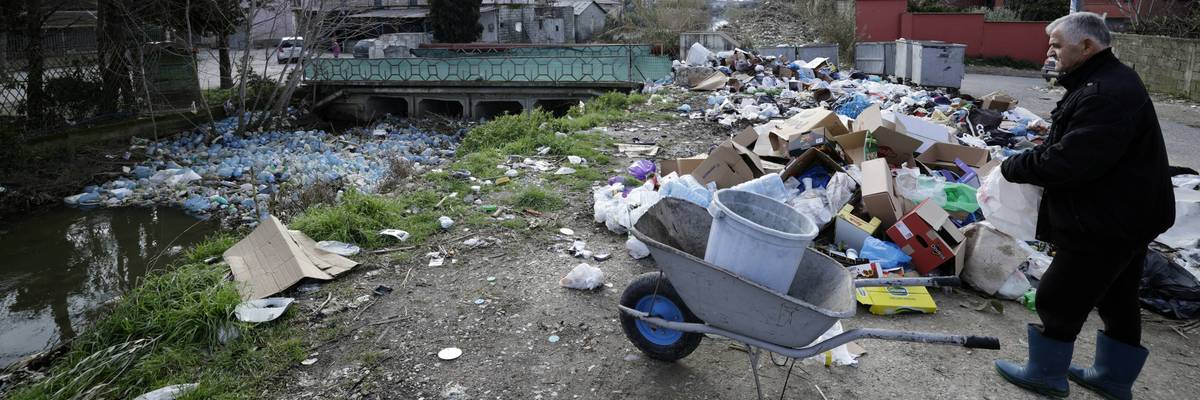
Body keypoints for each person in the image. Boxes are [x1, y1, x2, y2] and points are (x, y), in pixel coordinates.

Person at [994, 12, 1174, 400]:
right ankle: (1112, 378)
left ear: (1087, 46)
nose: (1050, 52)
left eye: (1057, 45)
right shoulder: (1109, 80)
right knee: (1118, 297)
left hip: (1106, 220)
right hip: (1131, 213)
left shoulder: (1103, 92)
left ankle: (1046, 376)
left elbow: (1070, 162)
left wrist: (1014, 166)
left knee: (1057, 296)